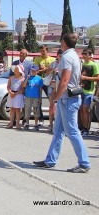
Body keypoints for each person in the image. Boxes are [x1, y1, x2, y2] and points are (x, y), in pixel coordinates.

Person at [33, 33, 91, 173]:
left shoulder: (66, 57)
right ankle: (50, 160)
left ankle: (84, 163)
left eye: (61, 41)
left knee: (72, 131)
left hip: (67, 98)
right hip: (68, 98)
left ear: (64, 42)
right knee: (58, 131)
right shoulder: (74, 56)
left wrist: (55, 98)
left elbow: (64, 81)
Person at [33, 45, 55, 126]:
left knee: (51, 100)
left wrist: (44, 69)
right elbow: (36, 70)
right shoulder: (37, 59)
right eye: (41, 51)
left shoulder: (52, 59)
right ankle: (40, 118)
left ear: (47, 51)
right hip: (39, 80)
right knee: (38, 100)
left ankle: (52, 120)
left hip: (48, 82)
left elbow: (52, 70)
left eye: (43, 51)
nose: (42, 53)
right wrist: (45, 69)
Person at [79, 48, 99, 136]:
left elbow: (97, 78)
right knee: (81, 110)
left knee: (85, 109)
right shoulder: (83, 64)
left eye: (85, 54)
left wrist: (86, 78)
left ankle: (86, 129)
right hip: (81, 90)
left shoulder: (94, 65)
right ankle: (83, 128)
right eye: (83, 54)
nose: (83, 55)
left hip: (89, 91)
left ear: (90, 55)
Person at [45, 49, 62, 133]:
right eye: (60, 55)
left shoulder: (65, 64)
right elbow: (47, 73)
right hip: (52, 86)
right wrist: (53, 70)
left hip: (60, 87)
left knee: (59, 106)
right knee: (52, 105)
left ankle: (58, 125)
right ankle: (50, 124)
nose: (61, 57)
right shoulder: (53, 63)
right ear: (57, 55)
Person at [22, 65, 43, 131]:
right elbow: (24, 85)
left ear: (37, 71)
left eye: (34, 71)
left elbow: (40, 89)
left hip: (36, 96)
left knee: (36, 110)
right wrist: (27, 78)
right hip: (28, 96)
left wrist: (40, 98)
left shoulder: (39, 79)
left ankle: (36, 124)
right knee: (27, 110)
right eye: (32, 70)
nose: (32, 72)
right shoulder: (28, 78)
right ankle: (27, 123)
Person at [6, 64, 25, 130]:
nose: (15, 70)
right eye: (15, 69)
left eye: (17, 69)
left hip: (18, 95)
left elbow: (22, 89)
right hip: (11, 94)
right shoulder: (11, 77)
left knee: (17, 110)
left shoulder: (22, 79)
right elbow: (8, 86)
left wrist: (16, 93)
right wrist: (10, 92)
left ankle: (17, 123)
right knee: (12, 109)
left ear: (20, 71)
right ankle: (11, 123)